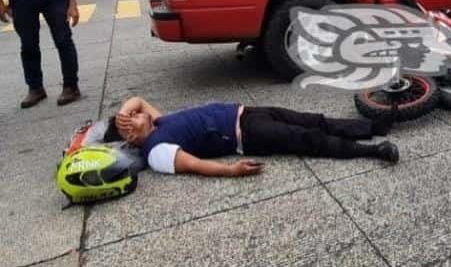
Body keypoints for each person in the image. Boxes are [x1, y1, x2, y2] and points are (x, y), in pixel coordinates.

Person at [104, 96, 399, 176]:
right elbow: (194, 165)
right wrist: (230, 171)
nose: (136, 114)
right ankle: (375, 151)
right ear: (131, 136)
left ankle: (372, 128)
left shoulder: (157, 122)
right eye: (130, 119)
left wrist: (122, 111)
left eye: (133, 114)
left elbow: (137, 99)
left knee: (313, 120)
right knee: (309, 139)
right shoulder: (155, 152)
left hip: (247, 112)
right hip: (247, 133)